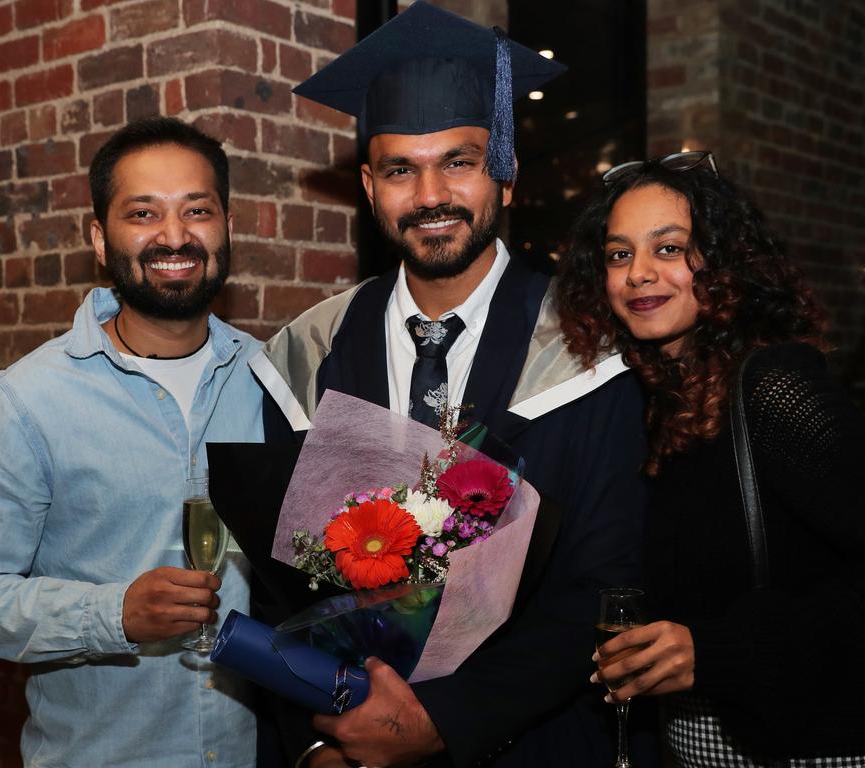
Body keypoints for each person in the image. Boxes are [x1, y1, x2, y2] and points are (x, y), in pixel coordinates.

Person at [250, 3, 651, 766]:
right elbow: (282, 589)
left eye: (459, 162)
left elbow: (601, 588)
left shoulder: (588, 344)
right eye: (400, 168)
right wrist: (319, 741)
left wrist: (445, 721)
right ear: (369, 186)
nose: (430, 194)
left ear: (505, 171)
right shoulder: (306, 353)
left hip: (533, 743)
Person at [0, 117, 264, 767]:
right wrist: (113, 614)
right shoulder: (30, 399)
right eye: (143, 213)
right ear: (99, 237)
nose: (175, 235)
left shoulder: (272, 379)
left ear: (226, 226)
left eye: (197, 210)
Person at [556, 151, 865, 764]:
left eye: (668, 248)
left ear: (724, 263)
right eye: (620, 255)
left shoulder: (775, 385)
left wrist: (720, 651)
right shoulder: (655, 403)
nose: (639, 273)